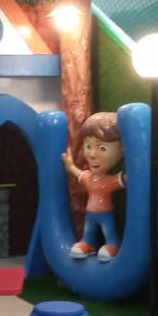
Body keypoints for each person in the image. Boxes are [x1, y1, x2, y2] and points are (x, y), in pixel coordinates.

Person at [62, 111, 126, 262]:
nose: (92, 154)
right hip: (90, 213)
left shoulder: (109, 181)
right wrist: (70, 166)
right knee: (88, 230)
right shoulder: (88, 177)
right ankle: (88, 243)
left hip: (106, 213)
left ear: (122, 150)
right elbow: (77, 173)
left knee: (108, 230)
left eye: (102, 148)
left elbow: (125, 179)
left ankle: (112, 244)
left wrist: (147, 168)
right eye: (88, 146)